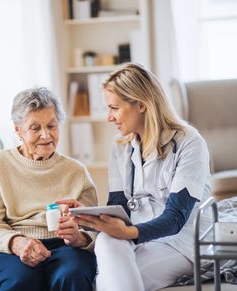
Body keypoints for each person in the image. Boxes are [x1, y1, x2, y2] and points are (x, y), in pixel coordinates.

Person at [64, 63, 211, 291]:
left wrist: (128, 233)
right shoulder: (120, 146)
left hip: (180, 241)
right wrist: (88, 217)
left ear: (141, 105)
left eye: (114, 108)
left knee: (106, 282)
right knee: (105, 240)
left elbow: (175, 219)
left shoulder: (190, 143)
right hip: (137, 237)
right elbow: (118, 208)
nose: (109, 118)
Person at [0, 87, 98, 291]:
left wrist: (79, 237)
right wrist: (17, 243)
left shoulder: (76, 171)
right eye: (35, 128)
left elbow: (94, 228)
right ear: (17, 129)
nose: (46, 135)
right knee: (20, 282)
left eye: (52, 125)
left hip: (64, 246)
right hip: (14, 245)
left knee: (71, 277)